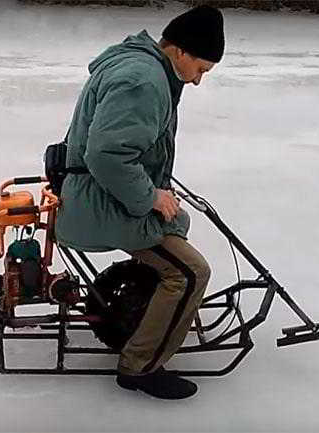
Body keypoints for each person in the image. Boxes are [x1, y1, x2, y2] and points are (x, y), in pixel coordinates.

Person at [55, 5, 225, 400]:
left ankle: (141, 310)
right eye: (201, 69)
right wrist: (149, 196)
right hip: (100, 201)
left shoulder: (142, 67)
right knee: (190, 272)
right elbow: (108, 155)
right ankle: (140, 367)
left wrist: (158, 191)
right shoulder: (143, 79)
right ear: (180, 51)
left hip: (98, 193)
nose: (198, 81)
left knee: (176, 223)